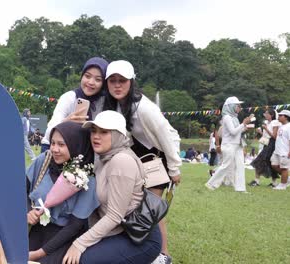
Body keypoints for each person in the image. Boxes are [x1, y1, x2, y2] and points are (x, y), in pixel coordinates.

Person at [101, 60, 181, 263]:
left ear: (131, 82)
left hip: (156, 159)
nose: (117, 85)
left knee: (150, 209)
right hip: (136, 160)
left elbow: (166, 135)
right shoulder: (114, 105)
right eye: (113, 81)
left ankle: (162, 255)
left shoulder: (144, 108)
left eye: (122, 81)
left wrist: (174, 168)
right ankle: (142, 248)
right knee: (135, 206)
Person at [63, 110, 161, 264]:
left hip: (138, 238)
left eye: (104, 132)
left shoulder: (121, 161)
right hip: (119, 231)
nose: (96, 136)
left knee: (83, 260)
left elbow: (114, 216)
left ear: (118, 136)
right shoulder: (104, 157)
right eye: (93, 131)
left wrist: (79, 244)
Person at [27, 121, 99, 263]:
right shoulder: (44, 161)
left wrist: (39, 254)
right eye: (52, 143)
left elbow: (75, 225)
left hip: (64, 238)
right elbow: (21, 190)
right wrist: (28, 211)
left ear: (75, 145)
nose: (54, 149)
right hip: (36, 229)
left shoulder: (87, 177)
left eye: (61, 144)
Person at [40, 57, 109, 152]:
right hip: (54, 148)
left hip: (84, 152)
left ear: (104, 83)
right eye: (87, 76)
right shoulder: (69, 98)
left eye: (98, 80)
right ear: (82, 76)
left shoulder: (105, 102)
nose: (91, 82)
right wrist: (66, 123)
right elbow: (49, 133)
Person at [205, 96, 251, 192]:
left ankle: (240, 188)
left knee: (240, 166)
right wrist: (243, 124)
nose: (240, 108)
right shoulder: (227, 117)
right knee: (225, 165)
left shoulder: (235, 118)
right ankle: (211, 183)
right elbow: (233, 132)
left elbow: (237, 131)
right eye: (238, 105)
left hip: (237, 144)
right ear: (231, 106)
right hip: (229, 144)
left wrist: (244, 127)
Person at [249, 109, 281, 187]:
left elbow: (274, 136)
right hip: (266, 143)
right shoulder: (267, 122)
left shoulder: (275, 123)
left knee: (260, 161)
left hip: (272, 144)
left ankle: (258, 181)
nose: (265, 115)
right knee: (268, 162)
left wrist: (266, 128)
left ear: (271, 115)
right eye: (265, 113)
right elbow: (266, 135)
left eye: (266, 113)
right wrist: (260, 132)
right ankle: (272, 182)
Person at [271, 110, 290, 190]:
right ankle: (287, 178)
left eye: (280, 115)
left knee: (284, 168)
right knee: (274, 165)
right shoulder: (281, 126)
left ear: (286, 117)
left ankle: (283, 185)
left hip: (285, 151)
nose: (278, 117)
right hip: (277, 151)